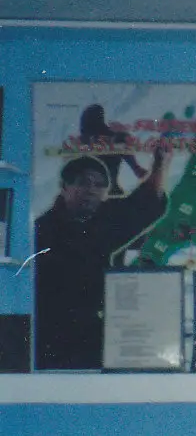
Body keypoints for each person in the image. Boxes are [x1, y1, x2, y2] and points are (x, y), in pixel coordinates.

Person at [32, 152, 169, 370]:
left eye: (99, 185)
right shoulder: (40, 231)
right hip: (51, 337)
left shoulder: (106, 218)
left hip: (97, 337)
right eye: (83, 183)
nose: (91, 190)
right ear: (64, 187)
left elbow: (147, 202)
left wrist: (161, 163)